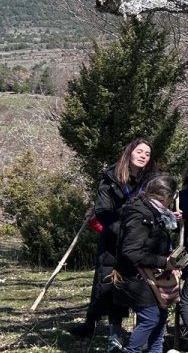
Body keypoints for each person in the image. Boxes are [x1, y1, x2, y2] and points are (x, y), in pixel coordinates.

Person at [68, 138, 156, 347]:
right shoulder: (111, 178)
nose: (143, 156)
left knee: (137, 285)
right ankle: (111, 332)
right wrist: (123, 233)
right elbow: (103, 211)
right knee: (108, 284)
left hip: (141, 241)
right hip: (113, 239)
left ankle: (142, 334)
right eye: (140, 151)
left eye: (148, 153)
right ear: (130, 153)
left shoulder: (151, 180)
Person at [114, 174, 184, 353]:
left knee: (160, 318)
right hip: (135, 277)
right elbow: (131, 251)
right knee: (150, 318)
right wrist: (164, 262)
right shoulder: (140, 214)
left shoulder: (154, 212)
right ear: (166, 196)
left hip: (149, 275)